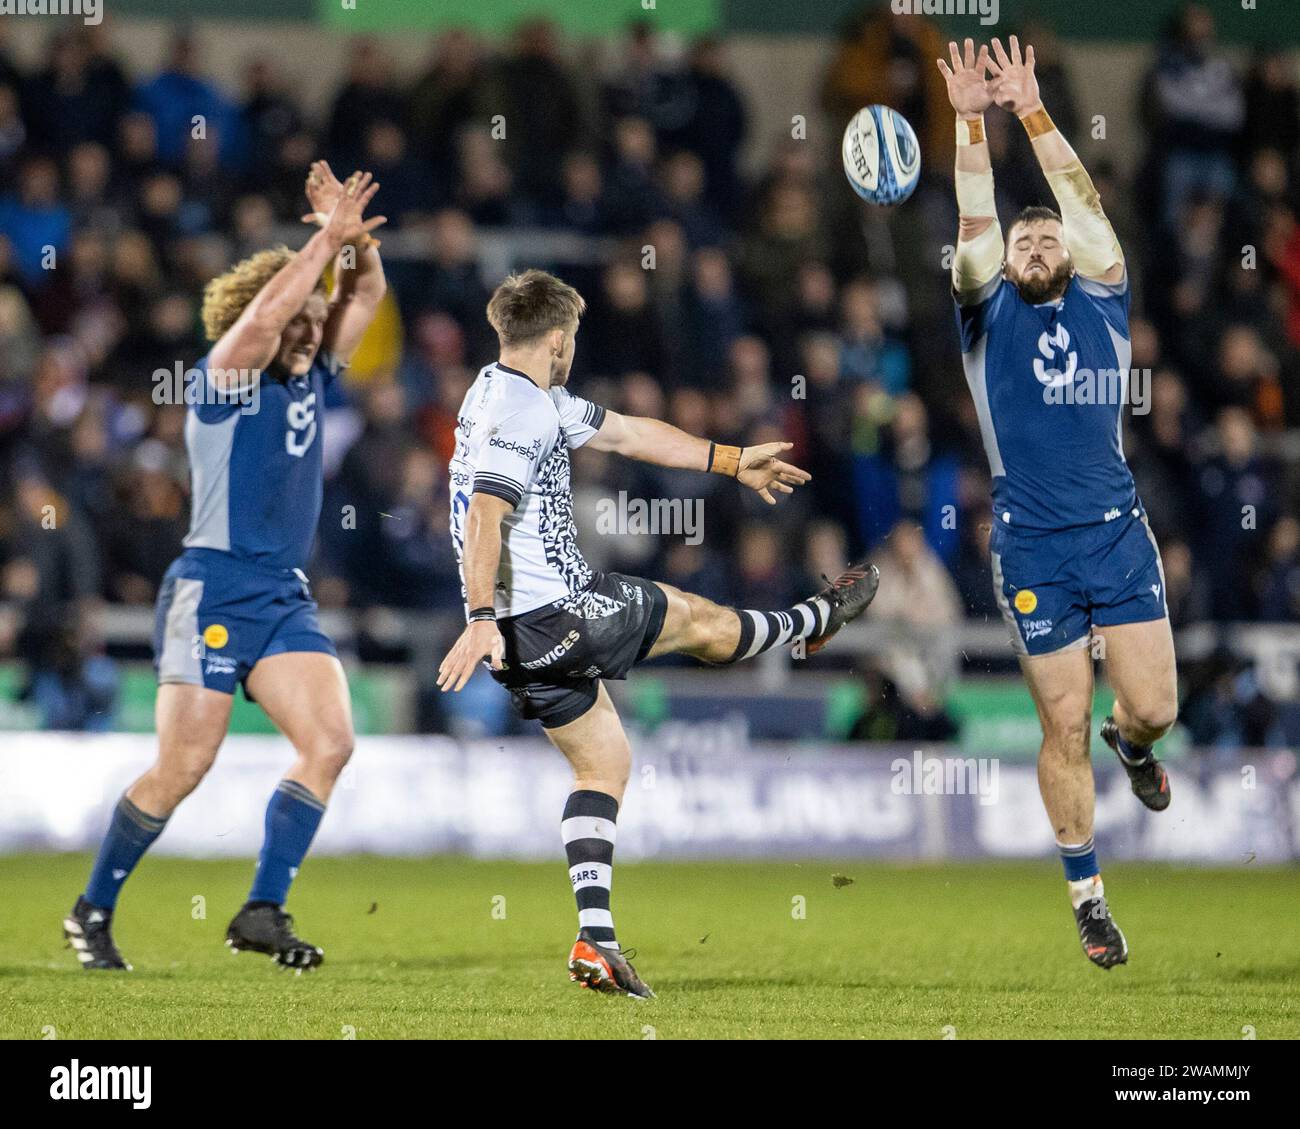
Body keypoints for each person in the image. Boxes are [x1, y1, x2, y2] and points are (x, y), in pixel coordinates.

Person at [437, 269, 879, 998]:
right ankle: (813, 621)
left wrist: (731, 459)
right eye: (571, 339)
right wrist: (477, 615)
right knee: (699, 620)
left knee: (603, 766)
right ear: (556, 340)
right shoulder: (525, 414)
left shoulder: (498, 391)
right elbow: (486, 511)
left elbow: (628, 433)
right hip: (557, 612)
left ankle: (596, 941)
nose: (571, 350)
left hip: (520, 643)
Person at [63, 164, 387, 973]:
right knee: (183, 767)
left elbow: (368, 295)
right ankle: (92, 908)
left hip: (281, 595)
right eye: (299, 319)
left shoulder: (310, 375)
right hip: (210, 586)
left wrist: (350, 244)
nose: (312, 331)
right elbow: (276, 308)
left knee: (331, 742)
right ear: (254, 318)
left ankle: (262, 908)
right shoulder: (223, 379)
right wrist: (318, 243)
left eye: (316, 322)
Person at [938, 38, 1178, 969]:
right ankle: (1088, 897)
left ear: (1071, 256)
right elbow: (971, 222)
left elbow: (1080, 202)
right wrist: (968, 121)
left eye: (1046, 239)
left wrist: (1031, 113)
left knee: (1151, 708)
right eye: (1021, 239)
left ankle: (1135, 742)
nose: (1034, 244)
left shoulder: (1106, 294)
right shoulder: (981, 307)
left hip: (1117, 535)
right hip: (1033, 546)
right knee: (1061, 724)